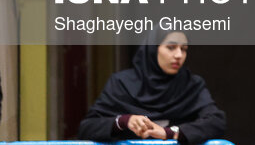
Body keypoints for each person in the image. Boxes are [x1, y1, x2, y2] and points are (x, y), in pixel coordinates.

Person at [78, 31, 226, 144]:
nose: (179, 55)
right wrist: (124, 121)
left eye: (184, 49)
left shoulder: (191, 85)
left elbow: (216, 121)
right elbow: (87, 127)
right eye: (171, 47)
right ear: (153, 49)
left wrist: (170, 133)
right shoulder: (121, 83)